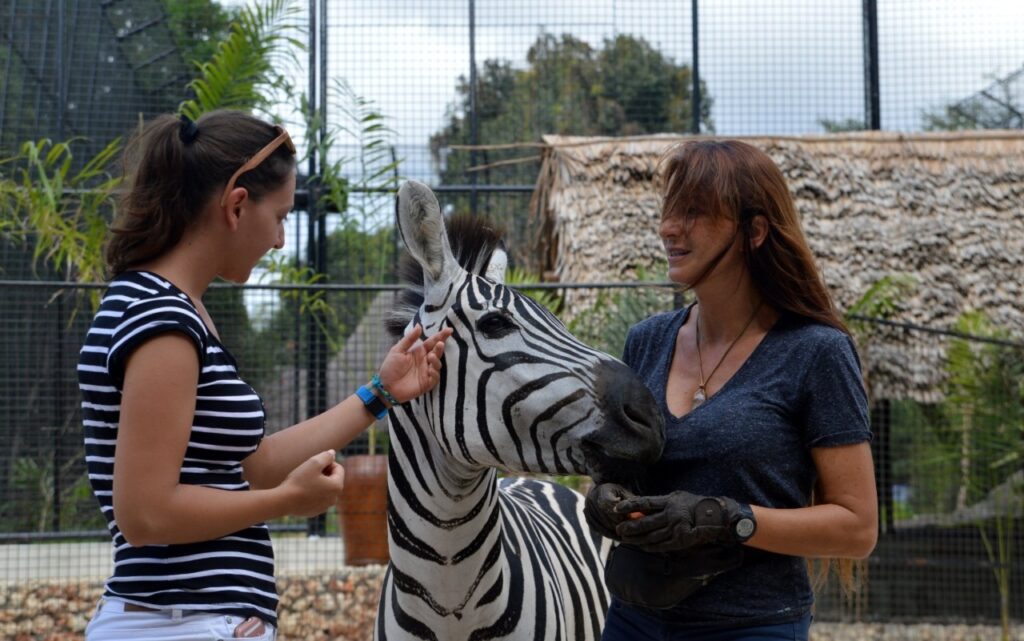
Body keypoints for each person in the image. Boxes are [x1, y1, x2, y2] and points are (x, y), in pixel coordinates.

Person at [78, 109, 452, 641]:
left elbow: (255, 464)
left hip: (189, 621)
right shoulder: (164, 321)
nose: (280, 239)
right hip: (179, 624)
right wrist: (286, 504)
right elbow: (145, 513)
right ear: (236, 205)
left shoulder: (167, 308)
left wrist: (380, 393)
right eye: (279, 217)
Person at [585, 139, 878, 640]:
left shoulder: (815, 352)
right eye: (668, 211)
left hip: (752, 626)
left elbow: (857, 529)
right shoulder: (647, 341)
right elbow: (626, 477)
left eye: (694, 212)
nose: (668, 228)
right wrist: (606, 499)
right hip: (634, 618)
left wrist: (731, 519)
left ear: (755, 231)